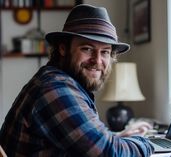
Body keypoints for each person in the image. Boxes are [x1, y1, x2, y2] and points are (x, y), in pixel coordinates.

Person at [0, 4, 154, 157]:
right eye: (87, 49)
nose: (98, 60)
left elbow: (90, 146)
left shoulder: (59, 81)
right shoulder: (55, 89)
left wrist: (117, 139)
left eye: (105, 52)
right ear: (63, 48)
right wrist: (148, 143)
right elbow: (109, 153)